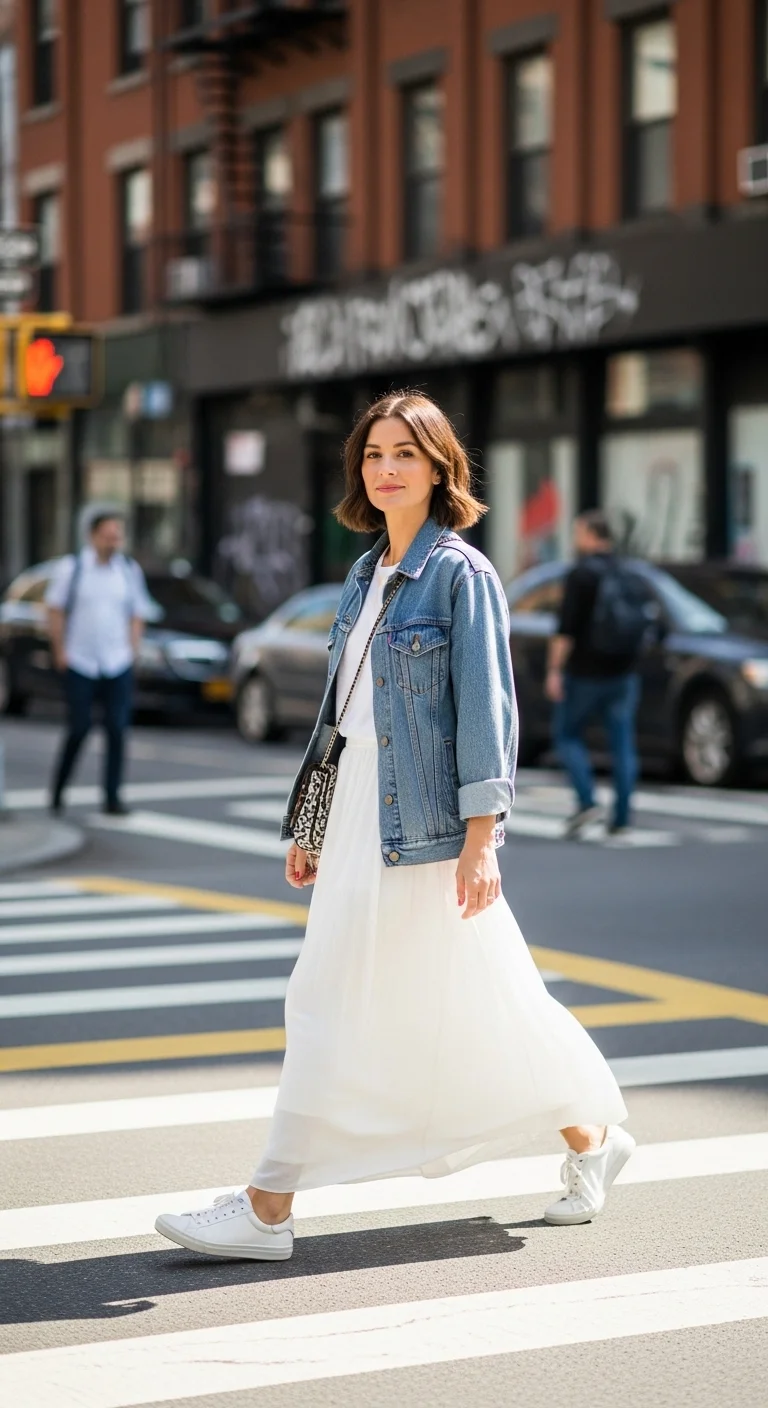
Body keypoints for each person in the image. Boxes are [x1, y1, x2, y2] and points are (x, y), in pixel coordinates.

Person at [156, 393, 633, 1263]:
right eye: (374, 454)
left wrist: (483, 839)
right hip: (357, 818)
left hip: (425, 826)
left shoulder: (463, 573)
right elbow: (340, 716)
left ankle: (268, 1206)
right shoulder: (365, 572)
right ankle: (593, 1139)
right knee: (482, 999)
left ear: (441, 466)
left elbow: (489, 715)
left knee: (333, 993)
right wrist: (311, 820)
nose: (386, 469)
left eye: (406, 454)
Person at [46, 511, 153, 816]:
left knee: (117, 730)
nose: (113, 541)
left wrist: (132, 650)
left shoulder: (129, 570)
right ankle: (58, 791)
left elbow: (137, 613)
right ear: (92, 536)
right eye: (108, 535)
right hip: (81, 660)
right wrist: (60, 651)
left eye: (117, 535)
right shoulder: (73, 568)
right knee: (78, 728)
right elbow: (55, 611)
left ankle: (112, 797)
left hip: (117, 661)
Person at [546, 510, 645, 839]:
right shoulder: (628, 571)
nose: (575, 539)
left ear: (590, 535)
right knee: (622, 744)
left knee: (567, 733)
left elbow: (566, 629)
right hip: (623, 671)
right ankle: (621, 818)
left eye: (578, 532)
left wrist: (554, 669)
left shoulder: (581, 574)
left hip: (585, 673)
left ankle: (587, 800)